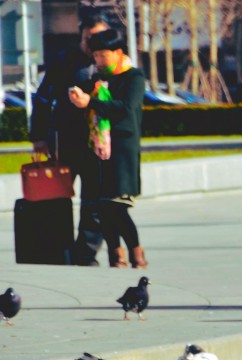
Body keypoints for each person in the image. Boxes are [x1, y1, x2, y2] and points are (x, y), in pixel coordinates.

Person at [32, 8, 112, 263]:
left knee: (94, 201)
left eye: (99, 38)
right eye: (89, 38)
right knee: (57, 199)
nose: (93, 44)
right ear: (81, 37)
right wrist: (39, 137)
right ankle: (59, 250)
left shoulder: (113, 64)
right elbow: (43, 99)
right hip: (65, 141)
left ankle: (86, 253)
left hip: (98, 145)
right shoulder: (63, 60)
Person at [68, 27, 147, 268]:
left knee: (118, 206)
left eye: (104, 55)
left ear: (118, 52)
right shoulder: (97, 80)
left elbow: (125, 108)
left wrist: (90, 101)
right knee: (103, 206)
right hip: (98, 149)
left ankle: (136, 253)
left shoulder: (134, 77)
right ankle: (116, 255)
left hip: (122, 150)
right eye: (96, 56)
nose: (99, 60)